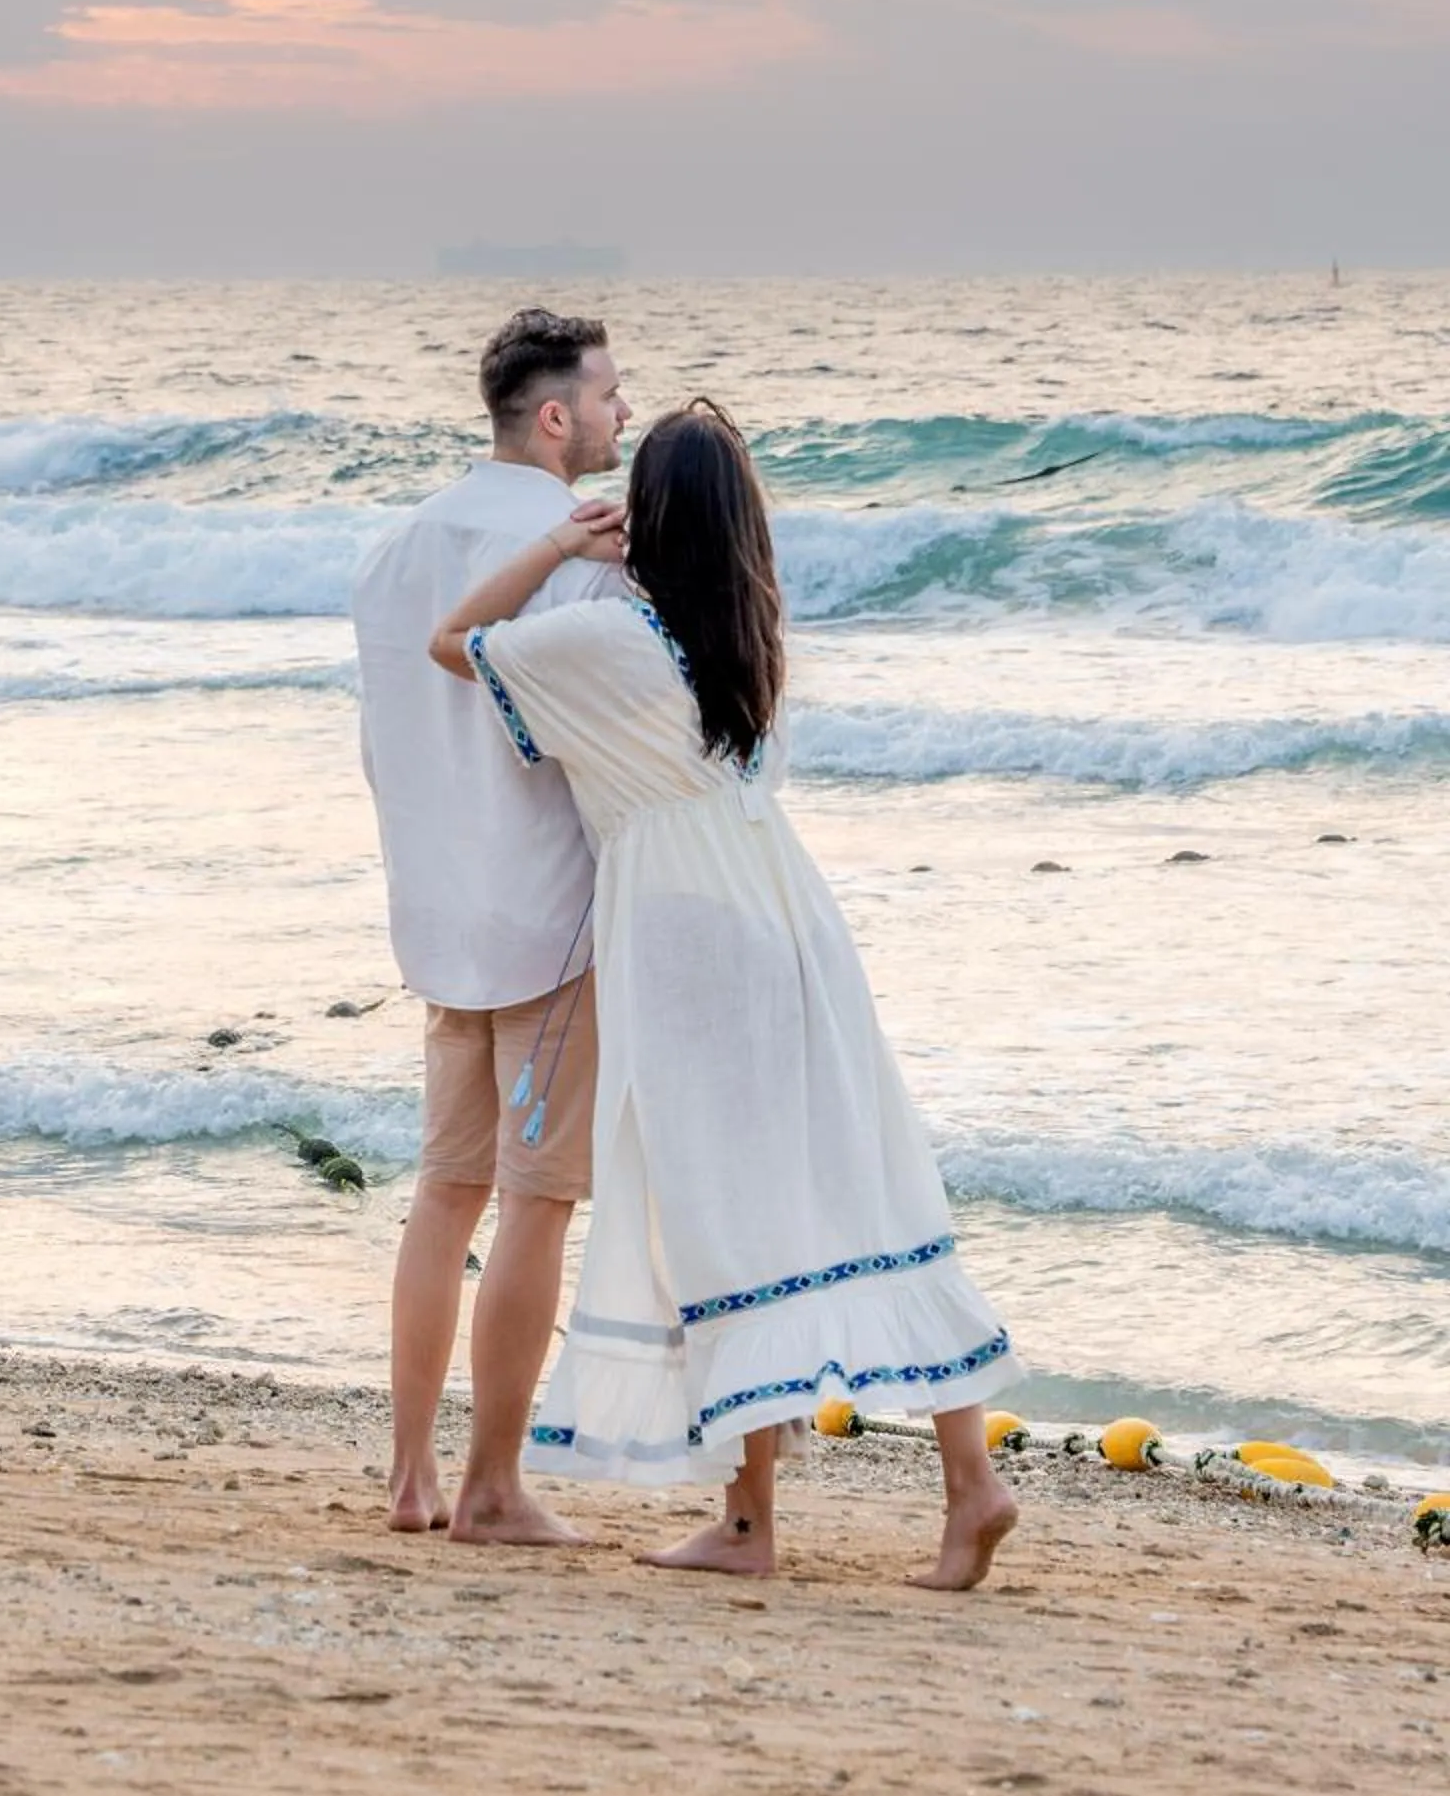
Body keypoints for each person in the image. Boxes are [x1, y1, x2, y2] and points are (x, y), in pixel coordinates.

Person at [428, 400, 1022, 1590]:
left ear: (645, 518)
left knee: (718, 1213)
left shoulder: (607, 642)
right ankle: (968, 1480)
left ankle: (750, 1523)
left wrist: (556, 545)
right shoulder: (750, 647)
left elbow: (453, 641)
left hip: (685, 937)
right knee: (858, 1185)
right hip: (790, 921)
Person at [352, 307, 631, 1542]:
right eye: (611, 397)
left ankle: (411, 1478)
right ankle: (492, 1488)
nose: (624, 415)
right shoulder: (582, 552)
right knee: (533, 1202)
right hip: (548, 917)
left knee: (444, 1192)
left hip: (438, 911)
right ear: (555, 415)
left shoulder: (394, 548)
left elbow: (389, 735)